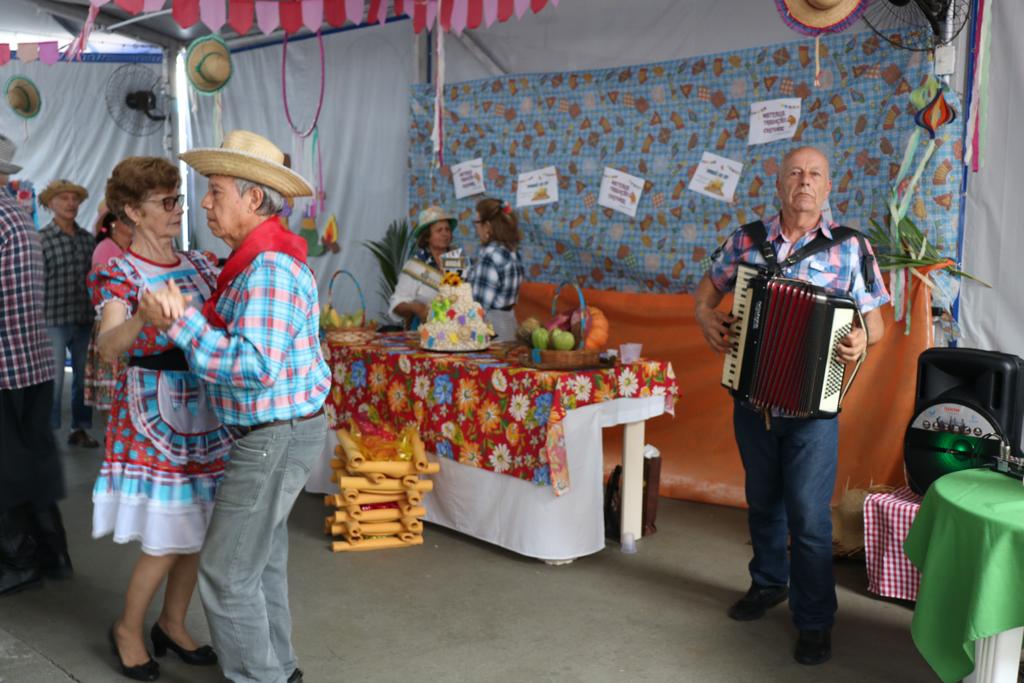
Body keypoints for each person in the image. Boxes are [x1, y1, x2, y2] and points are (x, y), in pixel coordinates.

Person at [694, 145, 888, 666]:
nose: (805, 181)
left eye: (815, 174)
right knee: (763, 504)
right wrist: (705, 318)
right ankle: (767, 584)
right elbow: (705, 294)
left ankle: (814, 620)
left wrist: (859, 342)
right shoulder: (747, 240)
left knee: (808, 519)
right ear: (778, 184)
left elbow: (877, 324)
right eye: (795, 173)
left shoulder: (852, 248)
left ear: (828, 188)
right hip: (752, 401)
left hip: (812, 410)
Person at [148, 130, 328, 683]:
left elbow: (253, 367)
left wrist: (181, 321)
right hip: (280, 432)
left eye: (216, 190)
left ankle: (262, 677)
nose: (205, 202)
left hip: (274, 434)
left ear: (253, 199)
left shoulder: (268, 267)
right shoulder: (256, 261)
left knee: (227, 573)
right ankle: (281, 670)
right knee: (258, 563)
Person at [89, 157, 232, 681]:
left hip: (205, 403)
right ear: (132, 210)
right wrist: (142, 320)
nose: (177, 210)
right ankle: (129, 627)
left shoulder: (201, 264)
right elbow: (108, 346)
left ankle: (172, 623)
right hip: (153, 406)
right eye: (165, 202)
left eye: (179, 199)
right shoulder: (119, 271)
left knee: (202, 526)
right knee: (170, 533)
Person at [0, 135, 73, 596]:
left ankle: (18, 561)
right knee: (34, 461)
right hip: (32, 362)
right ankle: (54, 553)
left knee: (5, 468)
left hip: (3, 366)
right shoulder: (17, 217)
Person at [39, 178, 99, 447]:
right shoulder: (41, 240)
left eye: (74, 199)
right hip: (52, 320)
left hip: (83, 319)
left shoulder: (88, 240)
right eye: (63, 199)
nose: (70, 203)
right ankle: (46, 434)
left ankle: (80, 428)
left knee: (83, 379)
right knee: (52, 380)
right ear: (51, 204)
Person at [84, 207, 133, 413]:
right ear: (114, 224)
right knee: (113, 391)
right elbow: (103, 292)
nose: (132, 223)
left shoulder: (131, 247)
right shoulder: (105, 249)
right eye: (126, 219)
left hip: (129, 324)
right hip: (111, 322)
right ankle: (110, 437)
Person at [466, 197, 524, 342]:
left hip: (490, 332)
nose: (476, 228)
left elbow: (477, 307)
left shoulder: (489, 256)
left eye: (477, 222)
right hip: (509, 327)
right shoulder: (512, 252)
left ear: (488, 226)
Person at [388, 206, 456, 329]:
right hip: (423, 334)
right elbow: (396, 304)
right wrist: (415, 307)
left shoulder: (456, 260)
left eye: (447, 229)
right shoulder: (415, 266)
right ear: (427, 237)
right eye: (439, 230)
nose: (445, 234)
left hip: (456, 331)